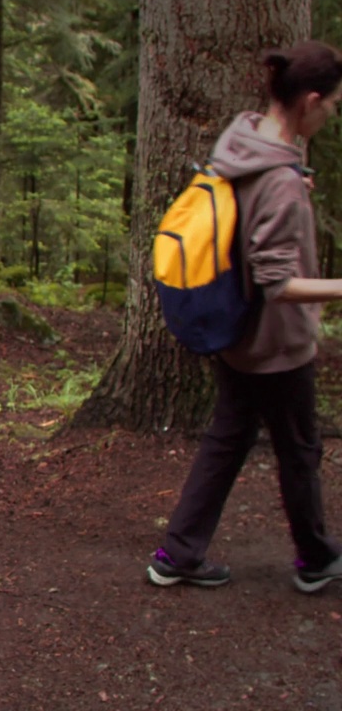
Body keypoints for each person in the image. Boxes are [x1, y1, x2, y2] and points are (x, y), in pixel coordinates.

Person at [148, 40, 342, 592]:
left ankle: (178, 554)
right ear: (308, 100)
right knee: (299, 449)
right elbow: (280, 283)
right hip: (272, 344)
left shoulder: (245, 136)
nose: (332, 114)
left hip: (233, 326)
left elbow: (248, 205)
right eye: (332, 105)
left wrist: (290, 186)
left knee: (229, 438)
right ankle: (316, 559)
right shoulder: (278, 178)